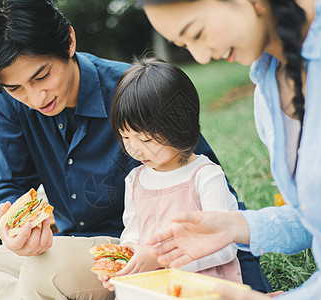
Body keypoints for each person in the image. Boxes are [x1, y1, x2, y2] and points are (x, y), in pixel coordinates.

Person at [0, 0, 270, 299]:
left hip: (129, 253)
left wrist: (249, 292)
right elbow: (9, 186)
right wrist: (5, 227)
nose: (35, 99)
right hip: (61, 246)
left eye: (42, 76)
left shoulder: (135, 92)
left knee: (40, 274)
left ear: (69, 42)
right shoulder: (9, 104)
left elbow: (211, 195)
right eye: (16, 88)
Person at [133, 0, 321, 299]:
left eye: (198, 33)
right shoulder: (268, 89)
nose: (201, 57)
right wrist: (235, 227)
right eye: (183, 44)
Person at [98, 58, 242, 291]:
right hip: (152, 288)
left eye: (144, 139)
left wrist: (161, 259)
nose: (134, 149)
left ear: (179, 126)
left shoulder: (204, 176)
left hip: (203, 289)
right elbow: (131, 236)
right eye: (125, 138)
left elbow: (225, 246)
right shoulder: (135, 180)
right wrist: (123, 263)